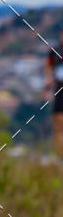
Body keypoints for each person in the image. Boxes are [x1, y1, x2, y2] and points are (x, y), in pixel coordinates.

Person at [44, 27, 63, 158]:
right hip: (59, 89)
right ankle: (59, 154)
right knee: (58, 121)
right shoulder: (54, 51)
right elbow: (48, 66)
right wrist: (48, 80)